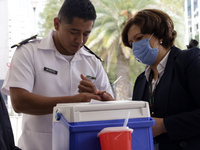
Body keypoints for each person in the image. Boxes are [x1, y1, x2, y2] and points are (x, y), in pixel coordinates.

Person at [79, 9, 200, 150]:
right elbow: (139, 119)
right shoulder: (142, 81)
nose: (135, 46)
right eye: (131, 43)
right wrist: (112, 105)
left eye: (139, 38)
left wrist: (164, 125)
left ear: (160, 34)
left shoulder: (189, 61)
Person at [1, 0, 113, 149]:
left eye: (86, 34)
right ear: (57, 24)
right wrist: (73, 102)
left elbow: (110, 108)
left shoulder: (92, 61)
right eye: (74, 32)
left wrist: (101, 98)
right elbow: (19, 102)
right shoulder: (28, 52)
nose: (80, 40)